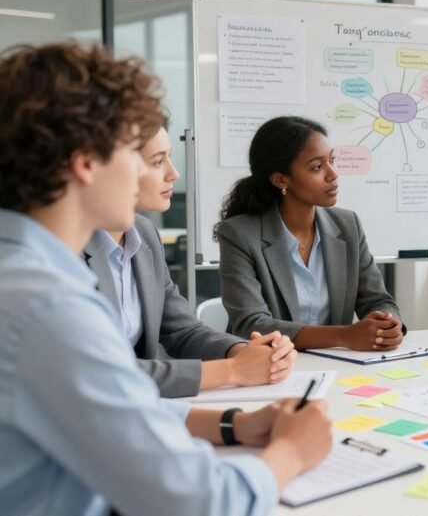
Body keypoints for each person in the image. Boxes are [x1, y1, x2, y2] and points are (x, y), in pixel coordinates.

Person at [0, 42, 331, 515]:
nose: (148, 172)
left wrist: (233, 423)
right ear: (85, 161)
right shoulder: (48, 307)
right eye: (135, 154)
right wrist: (292, 452)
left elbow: (114, 409)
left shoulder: (28, 275)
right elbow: (196, 502)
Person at [84, 127, 298, 398]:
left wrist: (244, 352)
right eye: (158, 161)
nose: (174, 173)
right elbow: (98, 372)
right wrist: (232, 370)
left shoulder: (144, 233)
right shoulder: (68, 249)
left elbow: (182, 330)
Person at [217, 115, 403, 351]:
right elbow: (251, 324)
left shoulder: (348, 224)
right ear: (280, 179)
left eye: (332, 161)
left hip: (339, 366)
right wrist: (343, 336)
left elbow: (377, 300)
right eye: (317, 167)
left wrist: (388, 324)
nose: (333, 174)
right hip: (269, 364)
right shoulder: (239, 234)